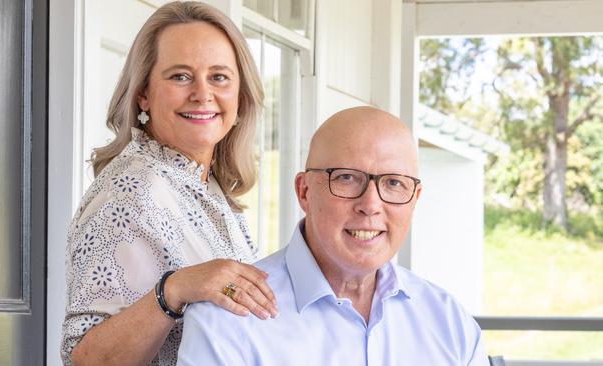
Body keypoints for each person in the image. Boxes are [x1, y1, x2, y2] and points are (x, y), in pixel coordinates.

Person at [177, 107, 490, 365]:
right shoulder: (227, 320)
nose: (370, 205)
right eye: (346, 178)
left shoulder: (450, 324)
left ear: (415, 197)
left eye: (394, 183)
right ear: (304, 191)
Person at [61, 2, 279, 365]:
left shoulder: (204, 188)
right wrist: (173, 290)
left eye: (219, 77)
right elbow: (85, 359)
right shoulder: (130, 190)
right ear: (143, 93)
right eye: (180, 76)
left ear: (240, 96)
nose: (202, 93)